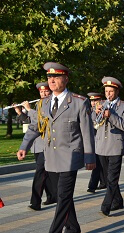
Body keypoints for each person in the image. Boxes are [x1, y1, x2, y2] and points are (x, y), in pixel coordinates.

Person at [17, 62, 96, 233]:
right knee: (64, 196)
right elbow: (36, 127)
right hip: (50, 159)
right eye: (49, 77)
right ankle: (73, 228)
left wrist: (90, 157)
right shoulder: (43, 103)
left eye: (56, 77)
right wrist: (25, 145)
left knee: (62, 196)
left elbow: (87, 132)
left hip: (70, 158)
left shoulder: (79, 102)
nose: (51, 80)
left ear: (66, 79)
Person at [14, 82, 58, 211]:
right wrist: (19, 112)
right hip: (37, 144)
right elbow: (31, 123)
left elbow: (42, 120)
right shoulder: (38, 104)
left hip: (47, 144)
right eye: (41, 92)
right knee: (47, 173)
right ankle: (52, 196)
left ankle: (35, 202)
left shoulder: (53, 104)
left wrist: (29, 110)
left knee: (40, 173)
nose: (43, 94)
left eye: (46, 92)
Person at [95, 77, 124, 216]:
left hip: (115, 146)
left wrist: (111, 115)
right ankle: (118, 200)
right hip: (101, 146)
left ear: (117, 91)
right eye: (106, 91)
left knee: (112, 177)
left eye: (111, 91)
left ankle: (106, 205)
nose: (108, 94)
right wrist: (96, 112)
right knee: (107, 177)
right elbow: (94, 122)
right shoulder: (100, 104)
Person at [86, 92, 106, 193]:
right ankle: (94, 185)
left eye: (96, 101)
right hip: (93, 140)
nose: (93, 103)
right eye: (92, 101)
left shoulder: (104, 110)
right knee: (98, 163)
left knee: (100, 163)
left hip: (102, 140)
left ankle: (100, 183)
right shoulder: (89, 111)